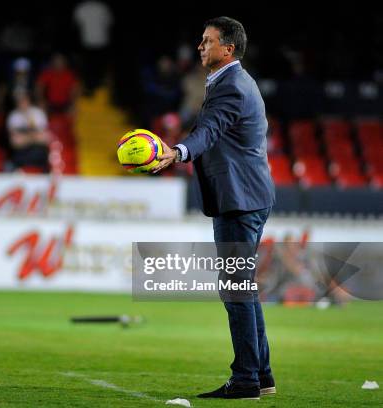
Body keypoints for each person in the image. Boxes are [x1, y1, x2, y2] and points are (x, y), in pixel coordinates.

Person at [153, 17, 276, 400]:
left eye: (207, 41)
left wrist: (178, 152)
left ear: (228, 49)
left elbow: (209, 132)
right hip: (246, 196)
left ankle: (245, 381)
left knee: (236, 289)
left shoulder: (232, 87)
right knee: (243, 288)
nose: (200, 46)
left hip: (239, 200)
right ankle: (262, 375)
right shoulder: (237, 82)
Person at [7, 91, 50, 171]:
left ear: (28, 100)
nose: (22, 103)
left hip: (39, 151)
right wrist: (34, 137)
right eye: (20, 101)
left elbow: (45, 138)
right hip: (21, 153)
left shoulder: (38, 113)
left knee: (41, 153)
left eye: (24, 100)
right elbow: (15, 142)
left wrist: (25, 138)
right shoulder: (13, 116)